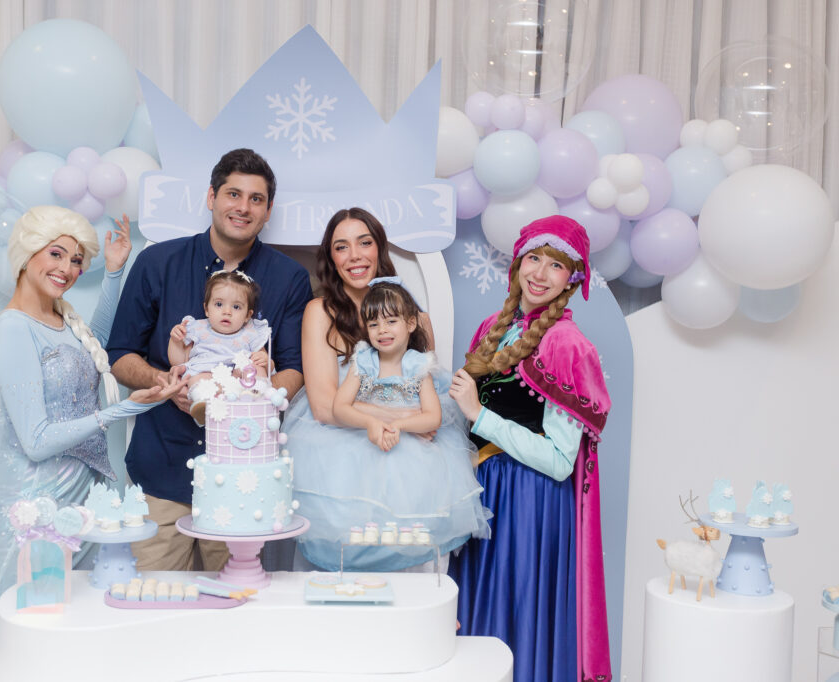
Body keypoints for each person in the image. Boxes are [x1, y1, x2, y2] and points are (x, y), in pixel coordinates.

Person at [0, 207, 184, 671]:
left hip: (81, 497)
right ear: (27, 254)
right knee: (27, 634)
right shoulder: (13, 329)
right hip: (37, 504)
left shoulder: (59, 320)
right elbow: (37, 440)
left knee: (71, 631)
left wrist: (114, 272)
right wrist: (128, 408)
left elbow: (93, 349)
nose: (67, 268)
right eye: (56, 254)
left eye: (77, 260)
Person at [108, 148, 312, 571]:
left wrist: (249, 400)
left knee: (239, 597)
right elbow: (120, 355)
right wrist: (169, 385)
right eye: (233, 194)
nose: (243, 207)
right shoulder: (157, 263)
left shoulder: (289, 278)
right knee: (157, 597)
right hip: (162, 472)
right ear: (211, 197)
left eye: (256, 199)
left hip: (244, 480)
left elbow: (294, 368)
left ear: (268, 209)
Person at [447, 215, 612, 682]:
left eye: (555, 265)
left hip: (529, 506)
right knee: (478, 627)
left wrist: (479, 415)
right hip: (485, 497)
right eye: (533, 259)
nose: (540, 274)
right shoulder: (492, 328)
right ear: (517, 264)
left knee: (515, 622)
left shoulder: (568, 345)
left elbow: (560, 462)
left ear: (572, 279)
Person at [284, 208, 483, 570]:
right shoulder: (321, 312)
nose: (355, 256)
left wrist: (417, 420)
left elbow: (427, 395)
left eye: (364, 243)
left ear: (379, 248)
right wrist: (402, 417)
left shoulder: (417, 318)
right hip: (337, 453)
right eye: (341, 247)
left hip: (412, 459)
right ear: (331, 257)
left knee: (413, 555)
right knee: (342, 563)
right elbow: (325, 407)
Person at [168, 269, 271, 422]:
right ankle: (206, 403)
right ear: (206, 309)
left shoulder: (251, 332)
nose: (227, 312)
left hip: (240, 380)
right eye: (219, 304)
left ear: (247, 315)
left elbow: (267, 363)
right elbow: (179, 361)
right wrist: (175, 341)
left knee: (256, 368)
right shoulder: (198, 328)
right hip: (209, 375)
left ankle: (257, 397)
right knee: (196, 378)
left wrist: (264, 359)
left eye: (236, 307)